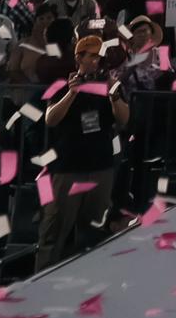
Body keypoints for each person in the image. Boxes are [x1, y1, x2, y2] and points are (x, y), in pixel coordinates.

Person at [36, 42, 129, 263]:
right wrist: (72, 92)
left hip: (100, 167)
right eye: (93, 56)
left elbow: (124, 120)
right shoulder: (63, 85)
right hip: (69, 168)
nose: (98, 61)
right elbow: (51, 119)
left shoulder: (108, 85)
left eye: (100, 57)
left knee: (94, 233)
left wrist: (114, 94)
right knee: (55, 230)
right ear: (79, 59)